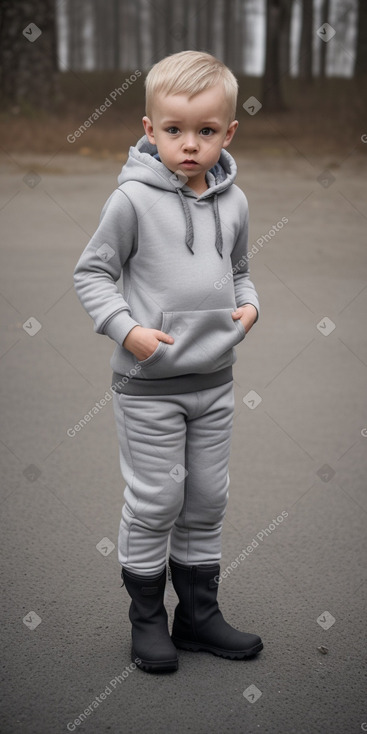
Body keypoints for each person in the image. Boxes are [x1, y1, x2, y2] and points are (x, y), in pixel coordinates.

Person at [73, 49, 263, 674]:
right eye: (174, 130)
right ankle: (148, 619)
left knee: (207, 500)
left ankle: (198, 616)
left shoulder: (233, 203)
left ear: (227, 133)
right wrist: (128, 331)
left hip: (214, 381)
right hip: (148, 387)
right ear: (148, 129)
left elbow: (239, 271)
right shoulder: (130, 200)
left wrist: (248, 305)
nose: (189, 146)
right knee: (158, 500)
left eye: (205, 132)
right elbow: (93, 275)